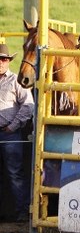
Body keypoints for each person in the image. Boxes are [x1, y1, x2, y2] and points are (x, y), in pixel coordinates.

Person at [0, 43, 34, 222]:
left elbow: (28, 105)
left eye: (4, 59)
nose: (1, 62)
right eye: (0, 59)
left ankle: (22, 213)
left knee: (14, 173)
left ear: (8, 61)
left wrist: (13, 126)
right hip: (8, 133)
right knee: (14, 173)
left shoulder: (15, 81)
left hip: (9, 133)